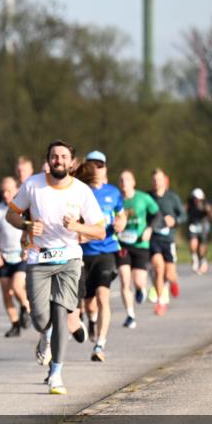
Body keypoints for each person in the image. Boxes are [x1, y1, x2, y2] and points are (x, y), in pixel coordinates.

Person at [7, 140, 105, 395]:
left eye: (63, 157)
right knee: (40, 317)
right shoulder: (33, 185)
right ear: (48, 160)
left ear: (71, 163)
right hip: (38, 260)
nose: (58, 160)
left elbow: (100, 230)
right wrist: (27, 226)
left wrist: (77, 227)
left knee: (61, 313)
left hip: (69, 260)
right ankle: (45, 333)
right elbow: (12, 214)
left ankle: (57, 373)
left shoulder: (82, 191)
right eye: (54, 156)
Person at [74, 152, 126, 362]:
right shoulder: (79, 192)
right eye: (92, 165)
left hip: (106, 250)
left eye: (101, 165)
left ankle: (99, 344)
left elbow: (121, 213)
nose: (97, 169)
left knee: (103, 296)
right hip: (84, 253)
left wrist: (121, 222)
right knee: (88, 303)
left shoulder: (113, 192)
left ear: (106, 168)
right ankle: (92, 320)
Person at [115, 169, 159, 329]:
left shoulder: (143, 198)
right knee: (124, 279)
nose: (124, 183)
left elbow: (157, 215)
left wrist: (149, 229)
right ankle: (130, 315)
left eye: (127, 180)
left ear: (133, 182)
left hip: (140, 244)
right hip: (122, 244)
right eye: (121, 180)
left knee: (138, 280)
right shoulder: (116, 199)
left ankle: (141, 289)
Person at [0, 176, 31, 337]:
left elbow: (30, 230)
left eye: (9, 191)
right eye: (3, 191)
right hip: (5, 257)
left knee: (17, 286)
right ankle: (15, 324)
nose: (6, 194)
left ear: (17, 191)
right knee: (6, 293)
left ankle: (26, 307)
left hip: (21, 256)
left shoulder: (24, 208)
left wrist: (28, 248)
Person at [148, 169, 185, 316]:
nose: (156, 182)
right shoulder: (148, 197)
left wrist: (175, 220)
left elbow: (183, 215)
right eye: (154, 180)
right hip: (153, 238)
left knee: (169, 275)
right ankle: (161, 302)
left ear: (165, 180)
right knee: (158, 267)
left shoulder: (172, 198)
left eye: (159, 179)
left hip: (168, 239)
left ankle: (173, 282)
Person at [186, 188, 212, 274]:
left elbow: (211, 212)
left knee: (202, 244)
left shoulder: (206, 204)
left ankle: (202, 258)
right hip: (193, 225)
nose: (196, 200)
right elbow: (183, 210)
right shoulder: (189, 204)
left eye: (198, 199)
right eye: (195, 198)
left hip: (203, 226)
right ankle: (194, 257)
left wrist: (207, 210)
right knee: (193, 243)